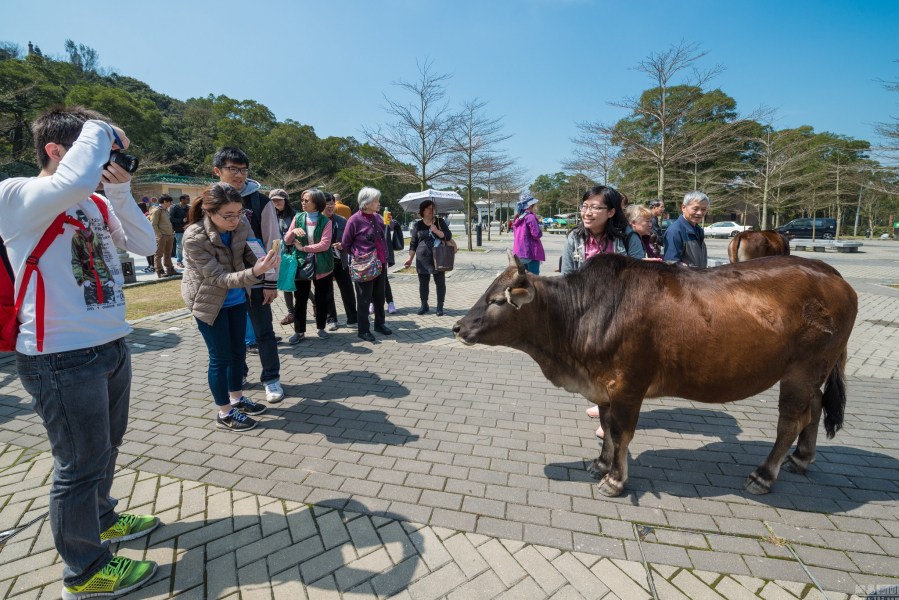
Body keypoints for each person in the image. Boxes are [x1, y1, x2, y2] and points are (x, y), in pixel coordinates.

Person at [0, 107, 160, 599]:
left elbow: (145, 243)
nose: (107, 158)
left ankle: (103, 517)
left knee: (107, 446)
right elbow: (67, 186)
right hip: (59, 354)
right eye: (100, 149)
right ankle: (85, 571)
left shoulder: (92, 200)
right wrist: (102, 127)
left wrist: (118, 191)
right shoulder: (16, 193)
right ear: (56, 150)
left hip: (109, 342)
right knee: (78, 463)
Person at [181, 183, 279, 433]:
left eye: (239, 213)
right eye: (228, 216)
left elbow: (250, 252)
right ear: (209, 212)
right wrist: (256, 271)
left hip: (236, 299)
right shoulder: (194, 237)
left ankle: (236, 400)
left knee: (238, 352)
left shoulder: (242, 224)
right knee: (220, 357)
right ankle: (224, 413)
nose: (236, 220)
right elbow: (218, 278)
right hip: (208, 302)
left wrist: (265, 261)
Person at [212, 148, 283, 402]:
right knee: (233, 334)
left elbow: (274, 243)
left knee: (263, 331)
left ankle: (272, 378)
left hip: (255, 278)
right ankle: (238, 375)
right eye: (233, 169)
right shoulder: (209, 201)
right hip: (223, 281)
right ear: (218, 171)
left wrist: (271, 281)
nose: (239, 175)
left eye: (243, 170)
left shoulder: (260, 202)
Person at [284, 188, 334, 344]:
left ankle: (321, 328)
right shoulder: (298, 218)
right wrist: (293, 232)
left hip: (322, 266)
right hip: (301, 264)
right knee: (300, 299)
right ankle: (299, 332)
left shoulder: (326, 221)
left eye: (307, 201)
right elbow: (286, 240)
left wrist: (303, 248)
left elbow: (325, 245)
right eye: (302, 200)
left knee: (321, 298)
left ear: (316, 203)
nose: (303, 203)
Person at [342, 187, 391, 342]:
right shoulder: (354, 220)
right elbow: (345, 243)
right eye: (376, 201)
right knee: (364, 299)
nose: (378, 203)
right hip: (364, 265)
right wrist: (359, 255)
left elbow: (383, 237)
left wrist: (389, 224)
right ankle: (363, 330)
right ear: (366, 202)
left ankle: (380, 324)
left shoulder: (377, 217)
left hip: (380, 263)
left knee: (379, 296)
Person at [561, 186, 645, 275]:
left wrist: (645, 267)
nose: (587, 213)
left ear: (611, 212)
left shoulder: (628, 236)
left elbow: (637, 277)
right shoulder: (574, 237)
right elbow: (566, 277)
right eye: (584, 206)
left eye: (595, 207)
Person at [404, 199, 451, 315]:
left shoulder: (440, 222)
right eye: (429, 208)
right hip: (422, 258)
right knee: (423, 283)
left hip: (438, 257)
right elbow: (413, 243)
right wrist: (410, 258)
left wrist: (437, 231)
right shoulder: (418, 225)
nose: (431, 210)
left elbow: (448, 236)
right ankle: (424, 304)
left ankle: (440, 306)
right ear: (423, 211)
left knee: (440, 282)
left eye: (433, 208)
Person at [323, 193, 358, 329]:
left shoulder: (342, 220)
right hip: (324, 262)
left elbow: (351, 239)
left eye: (332, 203)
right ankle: (331, 319)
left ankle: (352, 319)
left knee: (347, 290)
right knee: (327, 291)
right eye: (327, 203)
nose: (330, 206)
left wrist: (343, 245)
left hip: (341, 261)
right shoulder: (318, 221)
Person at [270, 188, 297, 326]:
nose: (276, 202)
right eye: (273, 200)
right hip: (281, 254)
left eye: (279, 200)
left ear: (285, 200)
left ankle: (314, 302)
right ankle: (291, 312)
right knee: (286, 283)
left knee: (293, 282)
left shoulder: (295, 215)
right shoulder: (272, 215)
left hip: (294, 253)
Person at [663, 190, 709, 268]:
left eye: (703, 209)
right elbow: (671, 263)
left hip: (699, 278)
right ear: (683, 208)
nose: (700, 213)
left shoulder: (698, 230)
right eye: (695, 209)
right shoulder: (675, 231)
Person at [512, 195, 545, 275]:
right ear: (530, 206)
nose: (536, 207)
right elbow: (536, 234)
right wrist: (541, 232)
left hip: (519, 253)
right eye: (535, 205)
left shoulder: (518, 218)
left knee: (523, 279)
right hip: (531, 252)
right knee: (534, 279)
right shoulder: (530, 217)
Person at [150, 194, 176, 278]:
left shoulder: (166, 210)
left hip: (169, 235)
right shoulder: (157, 210)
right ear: (164, 201)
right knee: (158, 254)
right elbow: (153, 224)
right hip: (162, 236)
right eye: (169, 202)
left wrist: (172, 233)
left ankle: (170, 269)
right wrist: (159, 235)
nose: (171, 203)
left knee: (168, 254)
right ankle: (159, 271)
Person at [170, 193, 190, 268]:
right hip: (179, 230)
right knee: (180, 246)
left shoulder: (188, 208)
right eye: (187, 198)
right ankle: (179, 261)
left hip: (188, 229)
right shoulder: (174, 207)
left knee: (189, 245)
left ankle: (189, 261)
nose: (188, 200)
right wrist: (182, 220)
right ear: (182, 199)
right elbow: (171, 219)